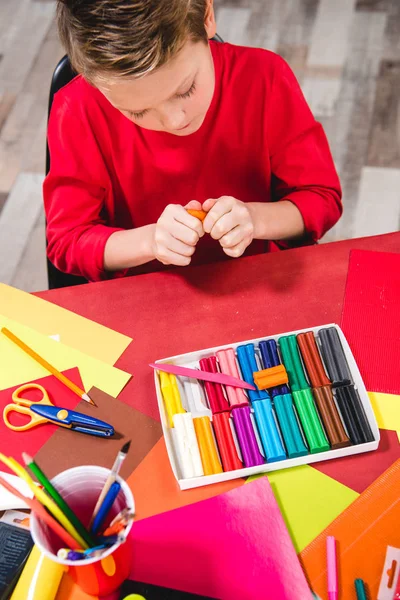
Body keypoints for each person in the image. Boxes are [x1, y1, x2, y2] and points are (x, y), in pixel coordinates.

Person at [44, 0, 342, 282]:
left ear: (206, 16)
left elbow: (321, 198)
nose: (174, 121)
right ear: (92, 79)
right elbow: (67, 240)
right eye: (137, 111)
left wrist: (256, 219)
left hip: (260, 284)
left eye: (185, 90)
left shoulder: (265, 78)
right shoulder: (78, 111)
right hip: (146, 301)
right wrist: (149, 241)